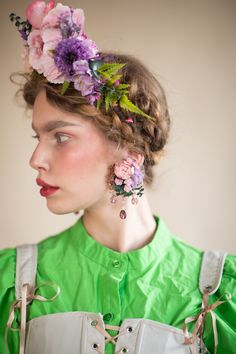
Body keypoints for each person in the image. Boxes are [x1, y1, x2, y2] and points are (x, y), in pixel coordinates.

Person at [0, 1, 235, 354]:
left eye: (60, 137)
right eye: (38, 137)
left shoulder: (222, 292)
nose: (36, 160)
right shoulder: (11, 280)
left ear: (130, 148)